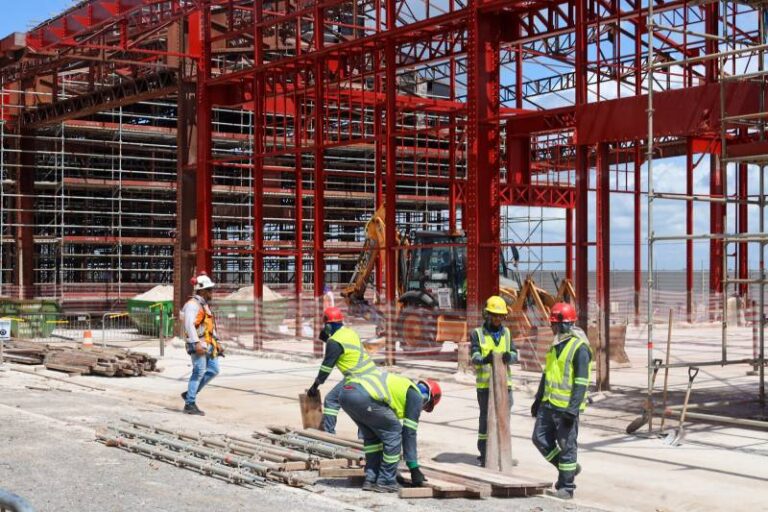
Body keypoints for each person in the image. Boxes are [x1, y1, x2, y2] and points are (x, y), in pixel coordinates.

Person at [340, 371, 441, 492]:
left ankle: (371, 479)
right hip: (363, 396)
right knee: (394, 432)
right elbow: (409, 433)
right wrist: (414, 468)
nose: (422, 409)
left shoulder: (403, 386)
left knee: (373, 437)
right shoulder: (416, 396)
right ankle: (386, 481)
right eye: (426, 407)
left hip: (346, 393)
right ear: (428, 397)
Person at [530, 302, 593, 500]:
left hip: (565, 408)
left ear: (565, 324)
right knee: (539, 439)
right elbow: (546, 373)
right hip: (548, 404)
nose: (552, 328)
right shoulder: (556, 344)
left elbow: (581, 383)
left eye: (554, 324)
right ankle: (570, 469)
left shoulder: (579, 348)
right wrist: (538, 399)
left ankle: (566, 486)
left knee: (567, 447)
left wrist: (572, 410)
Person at [307, 306, 377, 433]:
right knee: (363, 406)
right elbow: (340, 346)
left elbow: (326, 368)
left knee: (331, 400)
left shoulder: (335, 341)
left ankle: (328, 434)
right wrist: (327, 338)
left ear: (328, 325)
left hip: (356, 377)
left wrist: (314, 386)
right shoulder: (350, 332)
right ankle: (365, 440)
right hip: (371, 373)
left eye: (325, 325)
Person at [470, 295, 518, 466]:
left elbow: (515, 355)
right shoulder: (477, 334)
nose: (498, 319)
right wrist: (485, 359)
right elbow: (474, 356)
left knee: (504, 419)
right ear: (487, 315)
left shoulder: (507, 333)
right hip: (485, 386)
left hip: (505, 385)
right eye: (494, 315)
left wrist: (509, 357)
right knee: (486, 419)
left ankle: (503, 452)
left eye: (500, 316)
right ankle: (485, 453)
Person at [181, 272, 224, 416]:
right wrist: (196, 343)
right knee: (198, 372)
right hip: (198, 344)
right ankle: (190, 403)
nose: (212, 292)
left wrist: (217, 342)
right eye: (210, 290)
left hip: (209, 343)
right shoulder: (192, 305)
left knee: (214, 370)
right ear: (203, 290)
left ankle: (189, 394)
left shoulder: (203, 305)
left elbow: (209, 325)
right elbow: (189, 325)